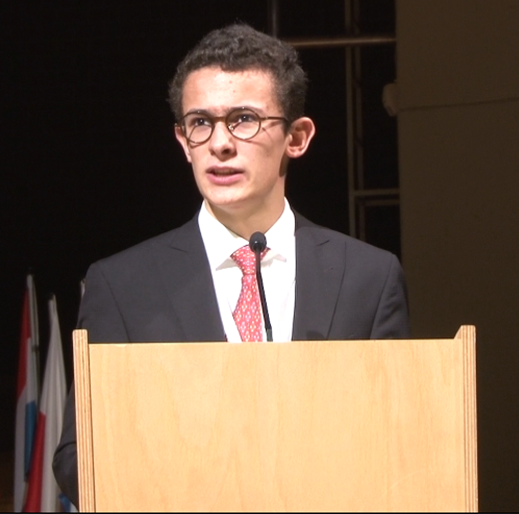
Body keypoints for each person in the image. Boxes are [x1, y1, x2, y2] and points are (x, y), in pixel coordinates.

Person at [52, 22, 410, 507]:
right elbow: (79, 458)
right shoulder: (121, 285)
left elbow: (399, 439)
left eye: (244, 119)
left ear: (297, 137)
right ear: (183, 141)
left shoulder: (368, 277)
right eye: (200, 122)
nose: (220, 142)